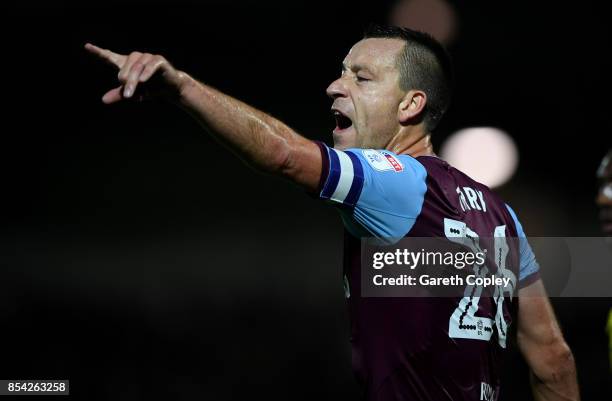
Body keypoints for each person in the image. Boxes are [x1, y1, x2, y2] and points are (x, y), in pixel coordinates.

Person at [86, 24, 579, 401]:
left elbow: (283, 154)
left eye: (360, 78)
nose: (333, 87)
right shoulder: (503, 217)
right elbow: (552, 360)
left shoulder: (395, 183)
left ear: (411, 105)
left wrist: (182, 88)